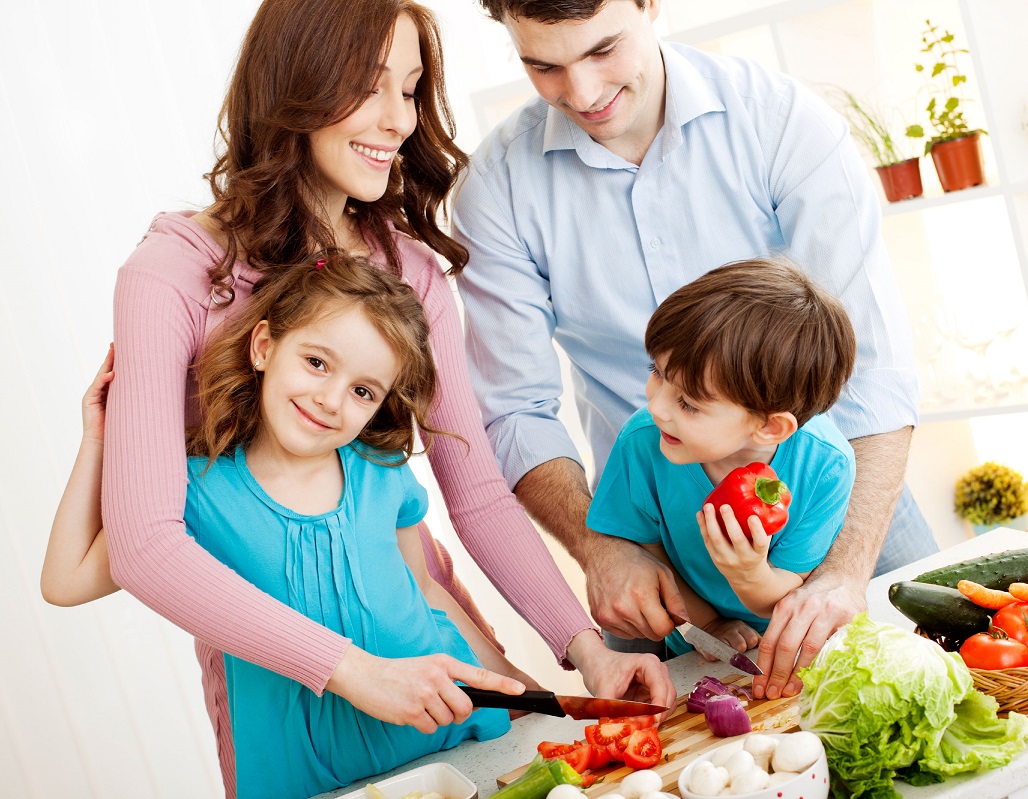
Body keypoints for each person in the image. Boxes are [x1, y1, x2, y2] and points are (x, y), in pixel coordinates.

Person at [99, 1, 671, 795]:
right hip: (285, 703)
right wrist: (349, 670)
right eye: (371, 87)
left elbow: (474, 491)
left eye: (410, 90)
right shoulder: (170, 278)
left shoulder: (410, 271)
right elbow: (143, 545)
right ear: (295, 83)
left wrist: (584, 644)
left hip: (428, 648)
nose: (399, 119)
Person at [453, 0, 940, 700]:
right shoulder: (497, 186)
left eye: (603, 50)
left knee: (934, 697)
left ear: (650, 5)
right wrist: (602, 547)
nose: (582, 94)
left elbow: (874, 371)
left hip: (838, 491)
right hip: (646, 534)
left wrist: (844, 569)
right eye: (544, 66)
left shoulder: (780, 122)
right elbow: (516, 411)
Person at [47, 257, 529, 798]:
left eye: (363, 391)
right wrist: (99, 439)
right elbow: (65, 581)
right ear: (263, 347)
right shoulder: (195, 489)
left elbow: (425, 592)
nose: (331, 400)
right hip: (311, 783)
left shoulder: (381, 469)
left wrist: (528, 695)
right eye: (318, 362)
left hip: (458, 744)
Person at [587, 260, 856, 660]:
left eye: (688, 403)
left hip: (785, 644)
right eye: (657, 372)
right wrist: (708, 625)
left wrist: (749, 574)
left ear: (769, 428)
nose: (656, 407)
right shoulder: (642, 441)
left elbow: (791, 592)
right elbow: (649, 556)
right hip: (687, 633)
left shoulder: (826, 467)